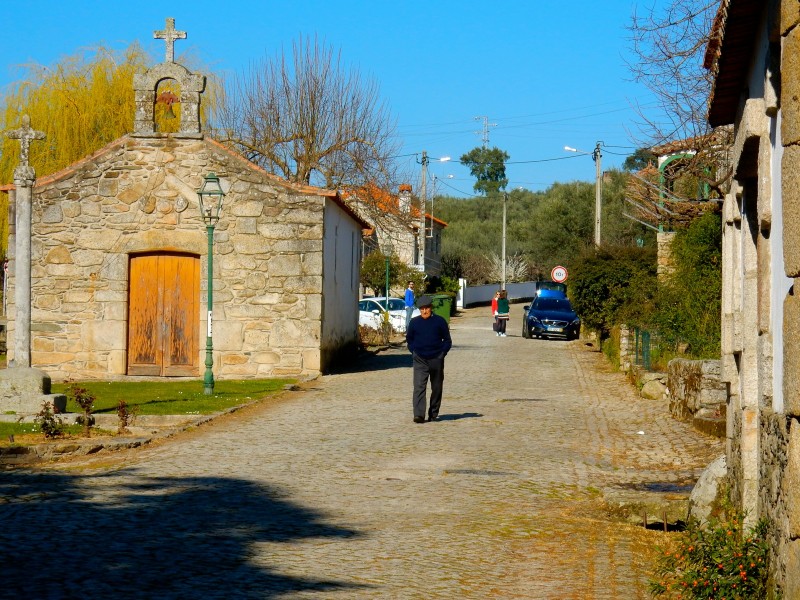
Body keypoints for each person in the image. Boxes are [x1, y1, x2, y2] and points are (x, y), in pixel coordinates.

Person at [406, 295, 452, 423]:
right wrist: (414, 351)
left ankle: (433, 412)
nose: (424, 311)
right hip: (420, 358)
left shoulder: (440, 321)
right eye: (422, 309)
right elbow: (409, 339)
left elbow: (447, 340)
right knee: (419, 386)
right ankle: (419, 415)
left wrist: (442, 353)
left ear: (431, 308)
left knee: (437, 387)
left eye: (426, 308)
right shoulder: (414, 323)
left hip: (436, 358)